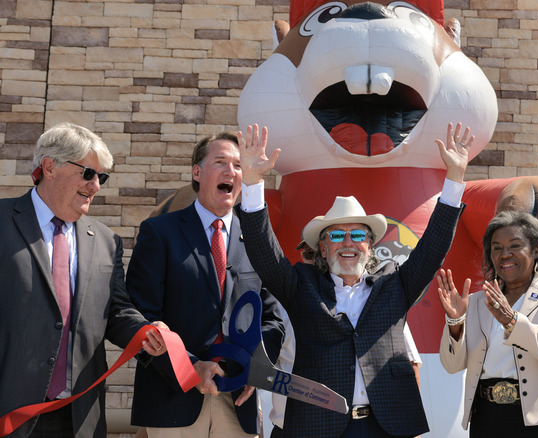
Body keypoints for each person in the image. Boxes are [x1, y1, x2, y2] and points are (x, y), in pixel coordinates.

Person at [236, 122, 471, 438]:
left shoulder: (394, 286)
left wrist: (455, 179)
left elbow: (433, 246)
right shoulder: (300, 285)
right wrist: (251, 182)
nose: (348, 242)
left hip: (385, 427)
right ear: (323, 246)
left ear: (370, 245)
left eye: (358, 234)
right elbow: (264, 251)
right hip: (319, 427)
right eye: (337, 235)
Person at [0, 122, 167, 438]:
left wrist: (147, 333)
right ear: (49, 167)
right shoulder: (2, 222)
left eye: (101, 177)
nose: (96, 186)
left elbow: (116, 313)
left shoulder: (105, 240)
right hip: (10, 414)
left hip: (80, 418)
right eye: (88, 173)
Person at [126, 131, 285, 438]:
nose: (231, 172)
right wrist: (191, 368)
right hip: (173, 401)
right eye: (221, 162)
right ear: (197, 172)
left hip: (238, 404)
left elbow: (273, 319)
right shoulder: (159, 232)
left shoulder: (257, 240)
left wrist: (257, 366)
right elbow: (139, 318)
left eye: (238, 166)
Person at [438, 211, 538, 437]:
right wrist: (455, 323)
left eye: (515, 246)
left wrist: (512, 321)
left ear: (535, 249)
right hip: (487, 418)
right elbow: (452, 366)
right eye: (497, 248)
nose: (505, 254)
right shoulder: (476, 301)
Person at [268, 241, 423, 438]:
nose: (316, 261)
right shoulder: (281, 305)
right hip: (293, 428)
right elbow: (263, 365)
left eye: (319, 255)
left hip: (363, 427)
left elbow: (408, 366)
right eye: (309, 254)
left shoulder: (378, 300)